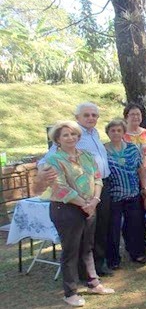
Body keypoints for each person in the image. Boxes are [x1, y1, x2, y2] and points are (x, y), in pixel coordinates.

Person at [45, 120, 114, 307]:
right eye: (65, 135)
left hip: (91, 205)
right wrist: (84, 203)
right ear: (57, 139)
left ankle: (93, 283)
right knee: (70, 250)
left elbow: (98, 178)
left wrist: (94, 201)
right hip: (66, 209)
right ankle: (70, 292)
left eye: (73, 134)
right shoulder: (52, 160)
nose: (70, 138)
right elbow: (60, 187)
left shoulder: (86, 155)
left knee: (87, 246)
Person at [39, 102, 113, 277]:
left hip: (100, 186)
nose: (91, 118)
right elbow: (45, 162)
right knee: (81, 236)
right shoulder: (71, 134)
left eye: (94, 115)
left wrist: (96, 197)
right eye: (86, 115)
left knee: (101, 227)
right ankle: (83, 272)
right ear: (77, 117)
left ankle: (97, 266)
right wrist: (43, 173)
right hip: (78, 194)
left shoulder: (94, 133)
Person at [103, 119, 146, 268]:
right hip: (113, 196)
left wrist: (145, 187)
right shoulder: (103, 150)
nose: (116, 133)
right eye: (113, 131)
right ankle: (113, 259)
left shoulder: (132, 148)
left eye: (119, 130)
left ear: (123, 133)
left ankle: (137, 253)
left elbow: (141, 169)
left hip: (133, 193)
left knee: (134, 226)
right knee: (113, 228)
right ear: (108, 133)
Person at [123, 102, 146, 167]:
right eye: (132, 114)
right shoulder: (121, 133)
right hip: (129, 169)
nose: (135, 117)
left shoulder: (145, 132)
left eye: (138, 114)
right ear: (126, 117)